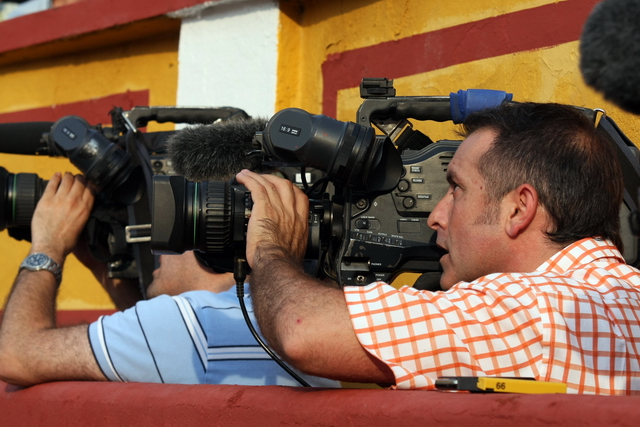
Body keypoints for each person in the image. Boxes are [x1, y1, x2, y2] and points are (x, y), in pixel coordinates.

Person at [235, 102, 640, 394]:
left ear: (519, 208)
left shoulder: (531, 311)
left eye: (457, 189)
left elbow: (303, 331)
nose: (437, 216)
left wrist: (271, 246)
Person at [0, 118, 339, 388]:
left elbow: (14, 356)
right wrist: (96, 261)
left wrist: (48, 244)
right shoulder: (290, 316)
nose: (153, 242)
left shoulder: (192, 323)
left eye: (166, 217)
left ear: (206, 223)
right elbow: (149, 340)